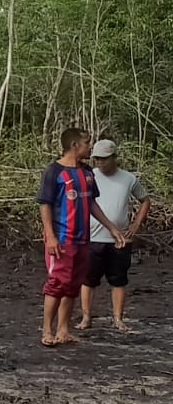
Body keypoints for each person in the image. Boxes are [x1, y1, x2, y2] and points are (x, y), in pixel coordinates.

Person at [37, 128, 126, 347]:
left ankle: (63, 330)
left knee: (73, 285)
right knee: (57, 284)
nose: (90, 148)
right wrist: (50, 236)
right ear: (75, 145)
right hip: (62, 238)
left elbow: (91, 204)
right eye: (87, 144)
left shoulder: (87, 172)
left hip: (82, 239)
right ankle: (47, 330)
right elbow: (45, 204)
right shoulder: (54, 172)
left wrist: (112, 228)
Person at [80, 140, 151, 333]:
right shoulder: (89, 176)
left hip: (120, 239)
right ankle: (86, 317)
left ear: (114, 158)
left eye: (104, 159)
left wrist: (136, 224)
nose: (100, 163)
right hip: (92, 238)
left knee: (119, 280)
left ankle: (118, 318)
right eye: (97, 159)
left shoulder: (128, 178)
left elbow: (145, 200)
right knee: (88, 279)